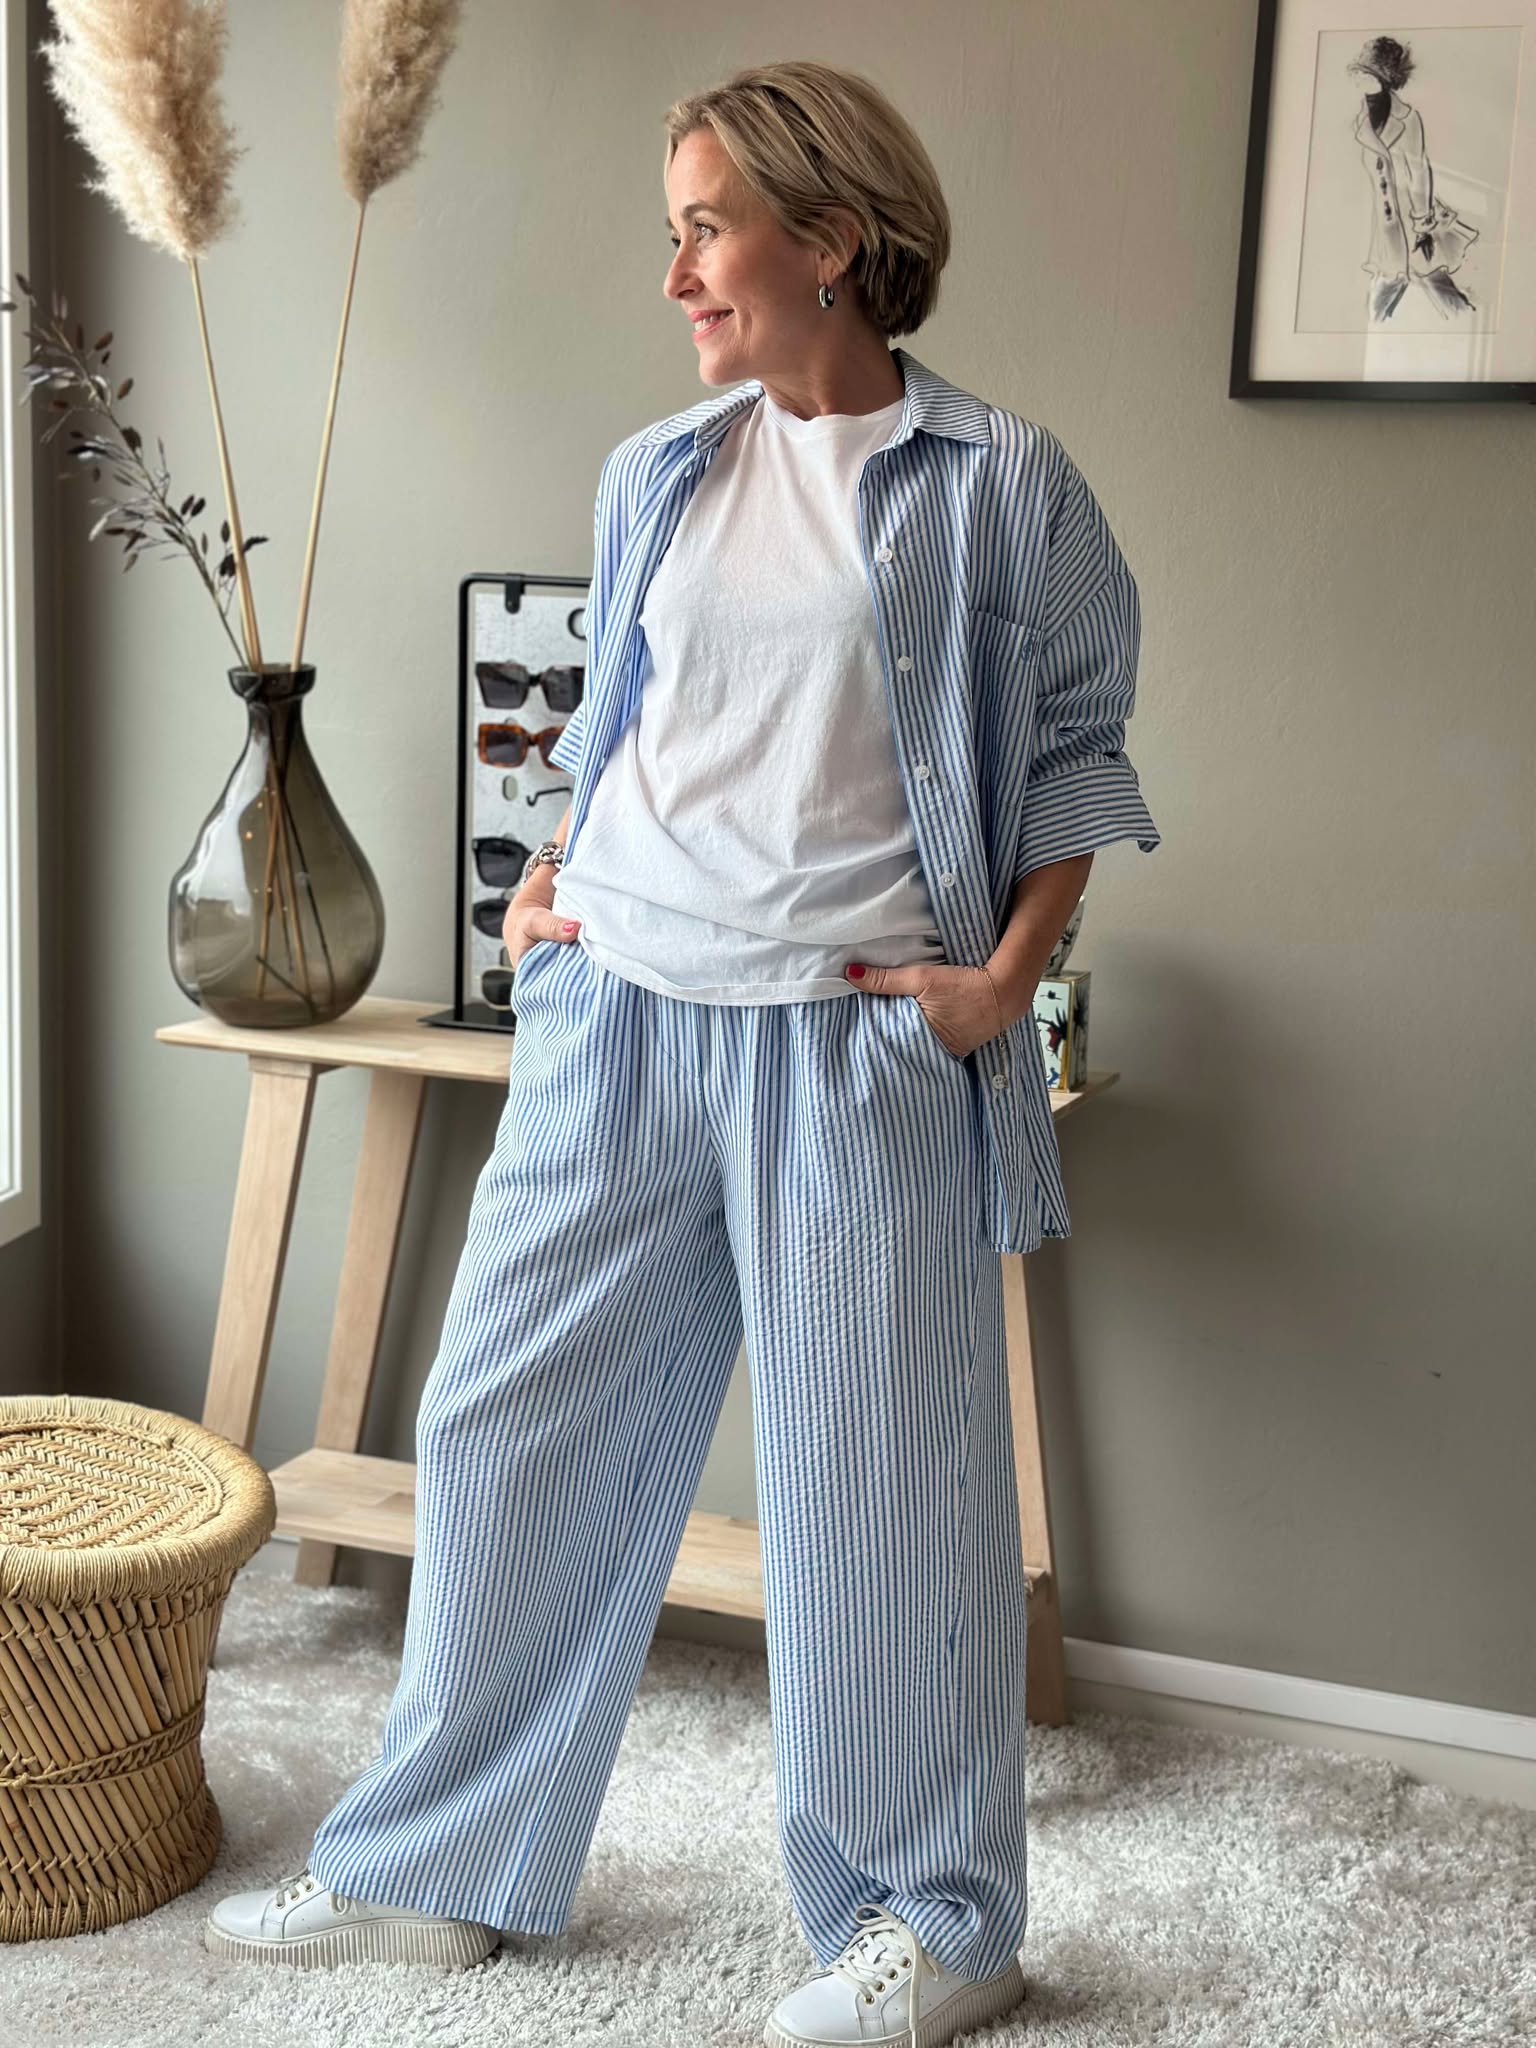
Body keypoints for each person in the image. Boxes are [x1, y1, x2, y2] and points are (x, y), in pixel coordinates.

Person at [203, 57, 1160, 2048]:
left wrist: (1000, 984)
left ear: (834, 240)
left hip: (847, 1045)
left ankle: (936, 1923)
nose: (676, 276)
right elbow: (626, 717)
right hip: (618, 1015)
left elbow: (1077, 753)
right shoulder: (660, 470)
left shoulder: (1003, 486)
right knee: (506, 1436)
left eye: (705, 229)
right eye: (676, 233)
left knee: (874, 1505)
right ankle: (437, 1871)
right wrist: (547, 884)